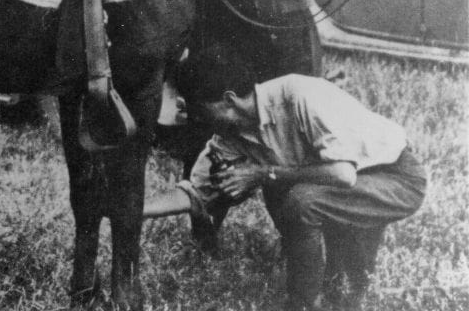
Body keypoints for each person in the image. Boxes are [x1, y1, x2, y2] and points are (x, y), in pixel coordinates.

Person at [144, 72, 427, 311]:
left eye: (202, 113)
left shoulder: (299, 95)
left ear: (228, 100)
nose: (201, 123)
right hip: (340, 190)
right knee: (293, 194)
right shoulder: (232, 131)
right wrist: (131, 211)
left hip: (394, 177)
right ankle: (329, 275)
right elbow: (197, 192)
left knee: (302, 201)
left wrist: (263, 173)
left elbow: (343, 173)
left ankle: (302, 302)